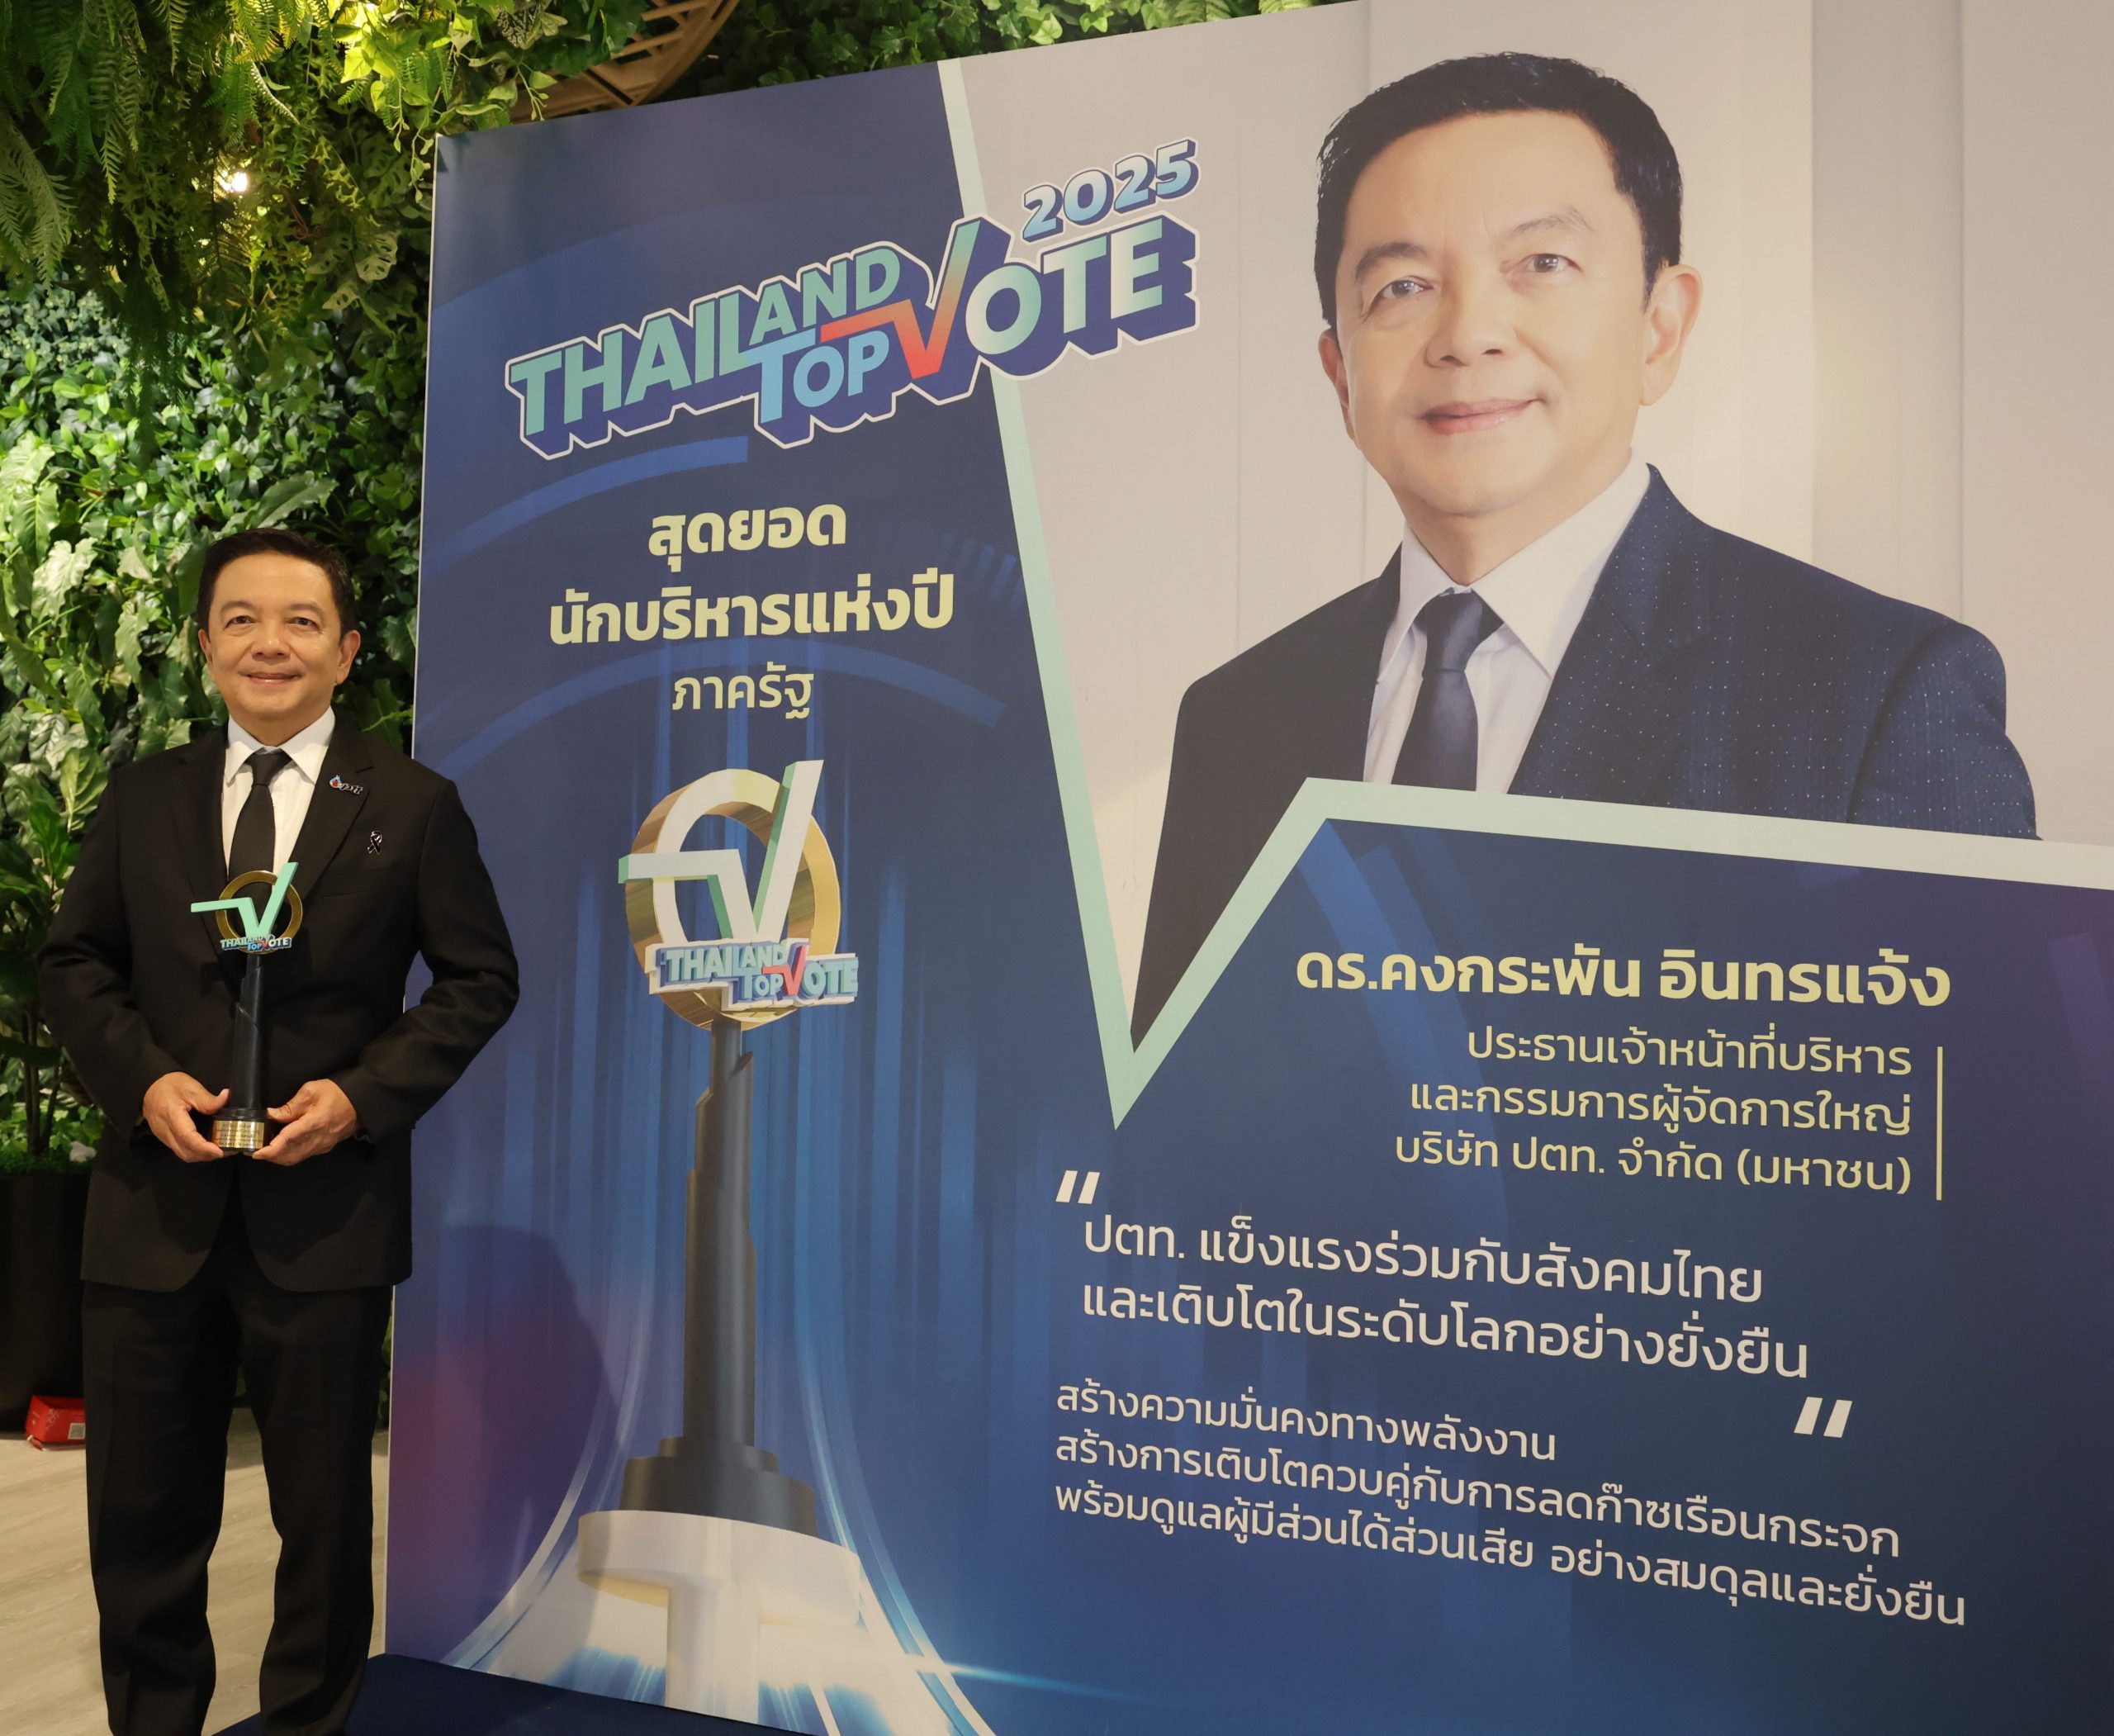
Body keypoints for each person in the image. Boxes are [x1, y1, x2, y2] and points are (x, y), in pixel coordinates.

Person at [1131, 52, 2035, 1038]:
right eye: (1401, 285)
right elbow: (1192, 1111)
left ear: (1659, 327)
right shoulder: (1235, 719)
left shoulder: (1878, 697)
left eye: (1541, 265)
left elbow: (1972, 1112)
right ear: (1339, 374)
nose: (1467, 334)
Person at [39, 528, 519, 1736]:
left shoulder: (410, 804)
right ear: (205, 645)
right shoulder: (143, 797)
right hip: (151, 1213)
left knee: (322, 1520)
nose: (270, 643)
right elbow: (75, 961)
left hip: (326, 1217)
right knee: (140, 1517)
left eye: (301, 621)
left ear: (347, 650)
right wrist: (142, 1079)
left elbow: (478, 978)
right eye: (241, 619)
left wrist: (363, 1095)